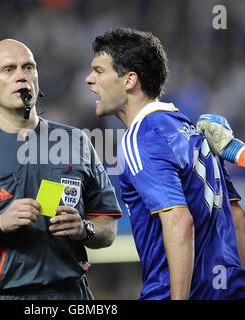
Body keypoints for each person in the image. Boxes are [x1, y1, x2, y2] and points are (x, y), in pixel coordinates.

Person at [0, 39, 122, 300]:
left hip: (70, 295)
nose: (21, 76)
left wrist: (84, 228)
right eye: (9, 70)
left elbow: (107, 227)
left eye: (28, 67)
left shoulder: (76, 142)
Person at [85, 27, 245, 300]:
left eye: (99, 71)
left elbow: (179, 222)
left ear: (129, 80)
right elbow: (237, 219)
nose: (89, 80)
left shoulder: (140, 137)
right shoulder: (192, 128)